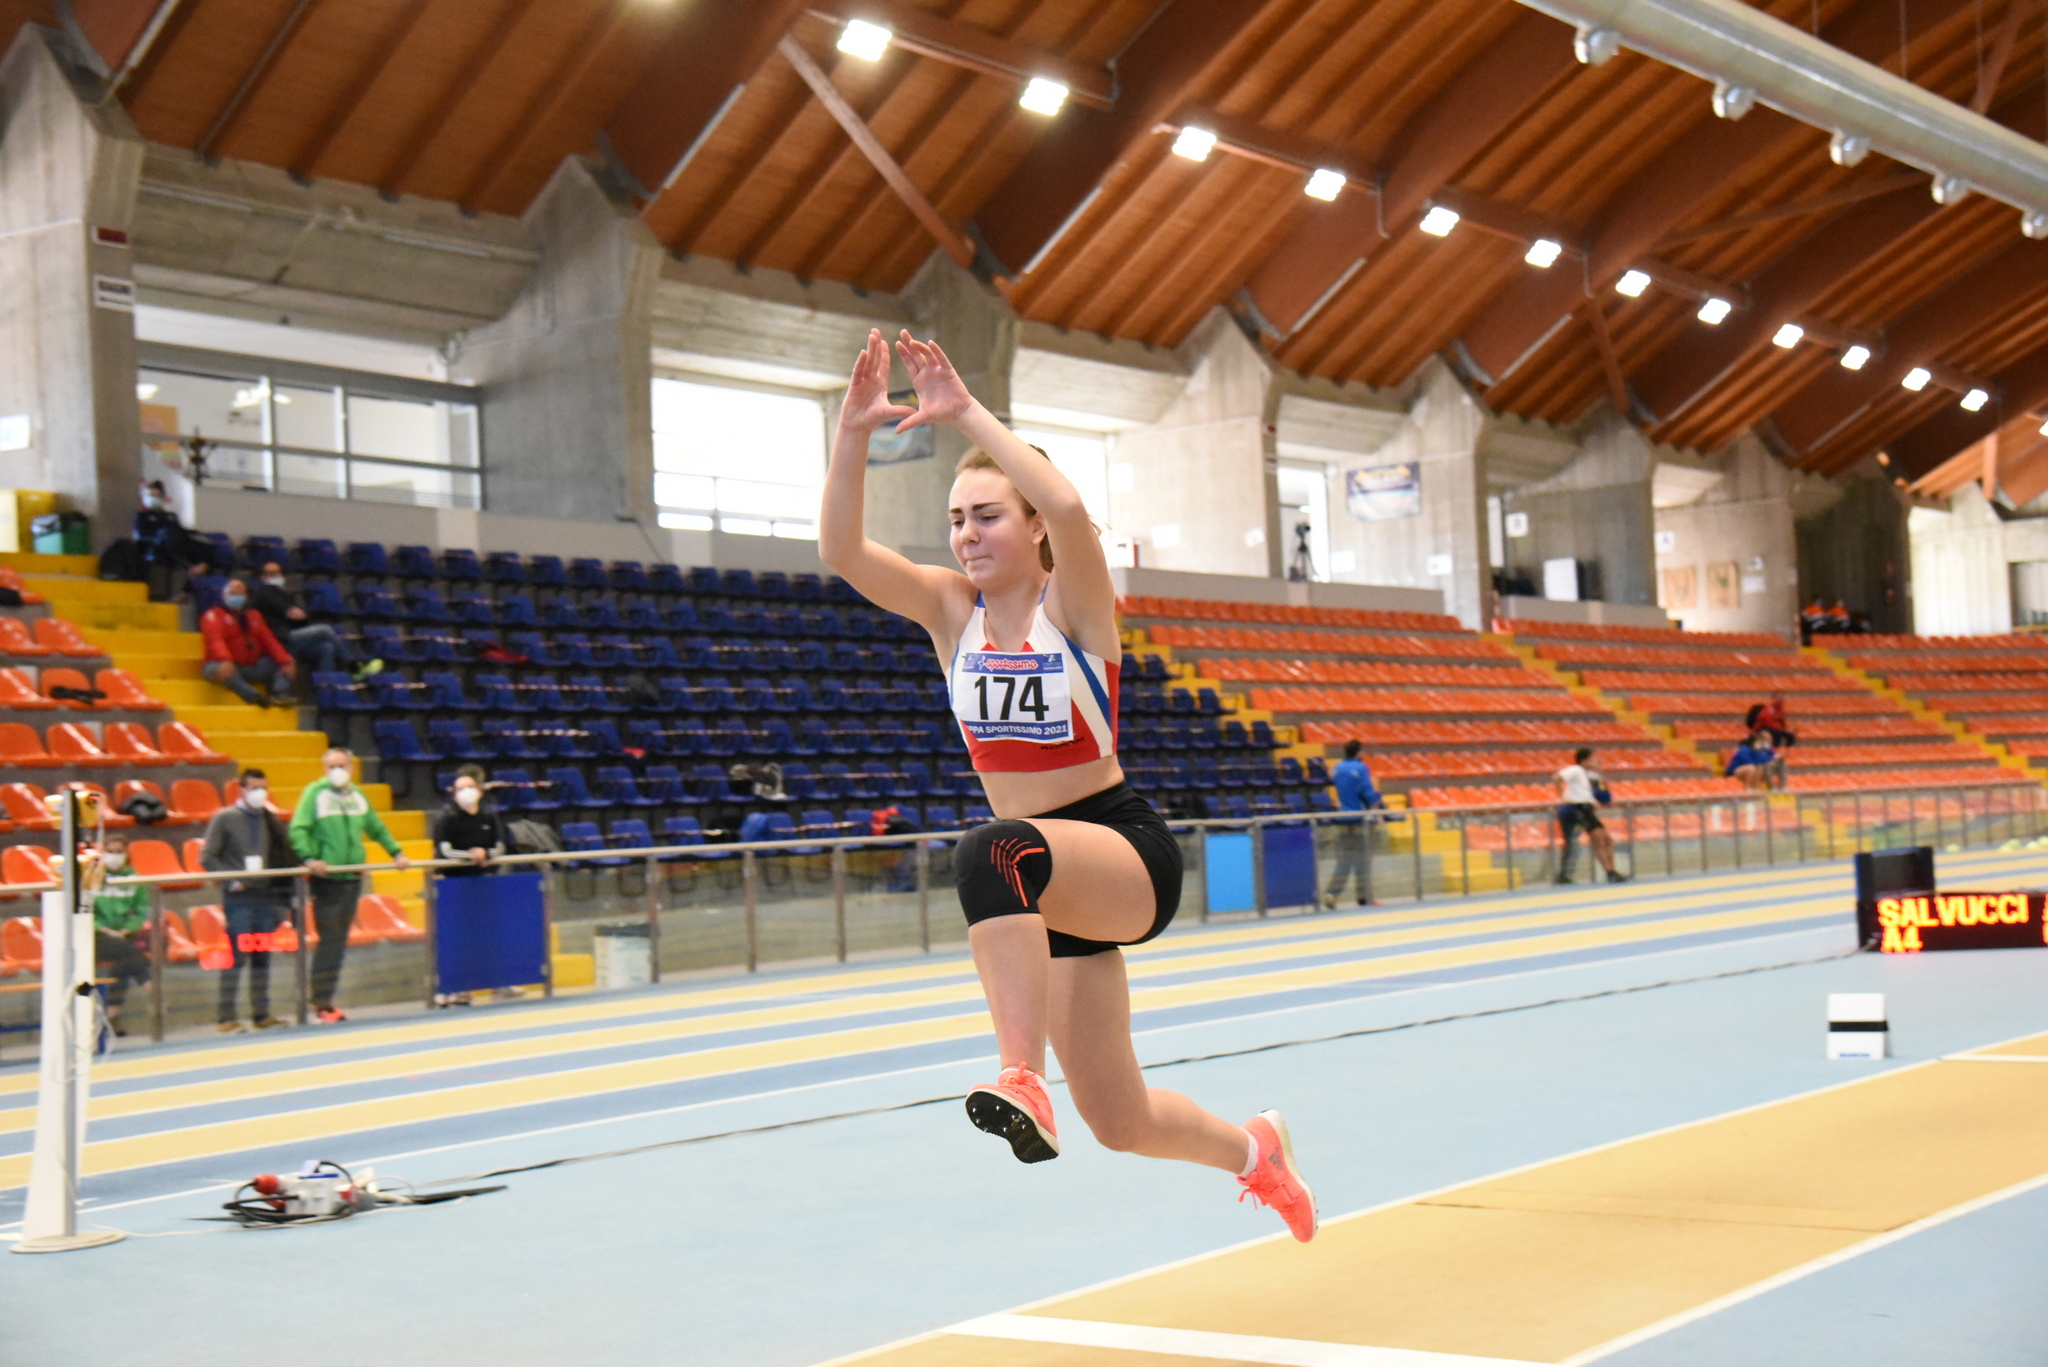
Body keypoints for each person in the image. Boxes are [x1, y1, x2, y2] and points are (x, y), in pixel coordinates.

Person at [819, 328, 1316, 1241]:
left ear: (1035, 526)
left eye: (988, 515)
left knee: (990, 850)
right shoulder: (951, 612)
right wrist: (852, 434)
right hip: (1043, 892)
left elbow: (1071, 503)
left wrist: (965, 411)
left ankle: (1021, 1077)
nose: (967, 535)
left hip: (1119, 850)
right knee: (1121, 1120)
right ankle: (1257, 1152)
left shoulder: (1073, 605)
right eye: (957, 520)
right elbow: (844, 551)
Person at [289, 748, 408, 1023]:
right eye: (331, 766)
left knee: (339, 942)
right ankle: (321, 1003)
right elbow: (298, 829)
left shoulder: (357, 796)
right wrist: (310, 858)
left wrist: (396, 852)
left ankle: (325, 1000)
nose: (337, 771)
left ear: (351, 767)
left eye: (342, 765)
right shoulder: (315, 794)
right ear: (324, 769)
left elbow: (376, 827)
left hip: (352, 879)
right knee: (329, 941)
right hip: (327, 880)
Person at [199, 770, 299, 1032]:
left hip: (265, 896)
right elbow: (208, 856)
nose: (259, 793)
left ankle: (261, 1014)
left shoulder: (269, 819)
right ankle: (226, 1017)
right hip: (239, 898)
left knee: (262, 956)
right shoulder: (225, 818)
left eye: (263, 788)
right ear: (241, 790)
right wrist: (232, 881)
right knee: (236, 955)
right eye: (254, 788)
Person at [250, 561, 382, 683]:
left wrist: (300, 615)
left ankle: (327, 685)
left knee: (326, 648)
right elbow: (293, 613)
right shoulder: (265, 593)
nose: (277, 576)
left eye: (278, 572)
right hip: (279, 639)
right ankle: (353, 665)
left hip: (290, 635)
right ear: (262, 577)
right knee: (325, 630)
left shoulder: (280, 592)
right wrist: (298, 615)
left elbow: (300, 616)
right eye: (271, 573)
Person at [89, 835, 153, 1036]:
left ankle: (110, 1017)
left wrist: (128, 929)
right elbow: (85, 912)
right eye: (110, 851)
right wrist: (104, 929)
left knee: (124, 962)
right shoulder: (92, 878)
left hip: (124, 936)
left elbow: (141, 912)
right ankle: (151, 988)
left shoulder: (134, 879)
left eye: (119, 852)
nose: (115, 856)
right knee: (128, 953)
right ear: (102, 853)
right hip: (96, 937)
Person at [200, 577, 295, 707]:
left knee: (286, 661)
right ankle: (255, 697)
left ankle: (279, 695)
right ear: (224, 595)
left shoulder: (254, 615)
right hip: (225, 664)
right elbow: (215, 640)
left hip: (251, 665)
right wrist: (225, 659)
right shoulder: (213, 615)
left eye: (241, 594)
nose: (237, 597)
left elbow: (269, 640)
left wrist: (285, 660)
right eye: (233, 593)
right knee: (216, 668)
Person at [1323, 739, 1384, 908]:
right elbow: (1368, 792)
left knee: (1345, 859)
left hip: (1343, 819)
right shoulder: (1361, 767)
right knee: (1363, 859)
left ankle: (1331, 893)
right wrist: (1378, 812)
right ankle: (1364, 896)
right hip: (1359, 819)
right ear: (1359, 752)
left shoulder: (1337, 768)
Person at [1555, 746, 1628, 885]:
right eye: (1593, 759)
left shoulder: (1592, 777)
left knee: (1607, 839)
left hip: (1587, 809)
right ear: (1584, 761)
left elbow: (1605, 800)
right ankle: (1609, 872)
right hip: (1578, 808)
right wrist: (1562, 797)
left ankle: (1611, 870)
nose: (1597, 762)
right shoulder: (1576, 770)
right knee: (1597, 838)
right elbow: (1558, 777)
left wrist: (1605, 786)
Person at [434, 769, 505, 877]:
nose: (466, 791)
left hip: (485, 874)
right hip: (453, 876)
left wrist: (485, 853)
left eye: (470, 787)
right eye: (460, 789)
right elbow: (445, 851)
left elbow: (500, 846)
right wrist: (471, 856)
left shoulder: (489, 815)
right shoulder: (447, 817)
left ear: (480, 791)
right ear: (454, 796)